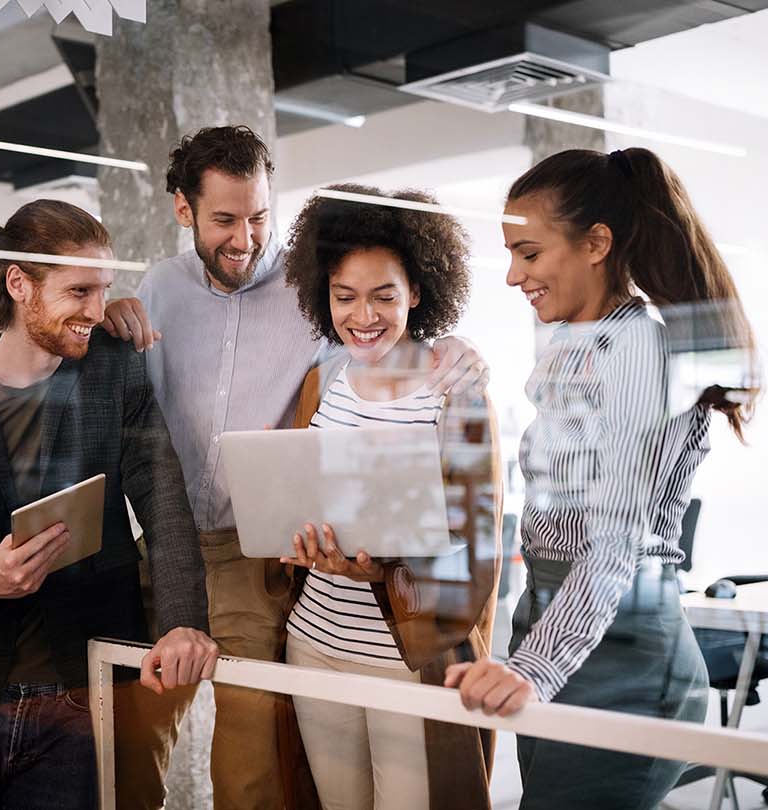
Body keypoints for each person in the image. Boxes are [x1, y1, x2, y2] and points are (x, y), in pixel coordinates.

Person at [101, 125, 488, 810]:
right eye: (224, 219)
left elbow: (381, 350)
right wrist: (110, 314)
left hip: (255, 555)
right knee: (130, 746)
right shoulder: (158, 287)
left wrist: (454, 346)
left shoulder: (307, 290)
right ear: (183, 210)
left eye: (258, 217)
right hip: (164, 547)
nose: (245, 239)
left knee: (251, 763)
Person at [444, 147, 759, 809]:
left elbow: (614, 540)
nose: (512, 275)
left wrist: (531, 667)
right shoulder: (581, 343)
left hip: (622, 655)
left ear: (596, 244)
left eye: (528, 253)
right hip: (560, 623)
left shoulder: (636, 351)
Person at [0, 199, 218, 810]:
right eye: (79, 290)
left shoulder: (113, 374)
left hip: (83, 702)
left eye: (104, 289)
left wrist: (182, 622)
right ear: (19, 284)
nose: (96, 310)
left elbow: (165, 504)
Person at [275, 184, 501, 810]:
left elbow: (479, 544)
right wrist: (299, 544)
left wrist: (388, 569)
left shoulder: (456, 390)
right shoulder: (323, 382)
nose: (363, 316)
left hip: (407, 657)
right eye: (344, 296)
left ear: (419, 292)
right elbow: (299, 490)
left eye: (384, 296)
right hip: (315, 645)